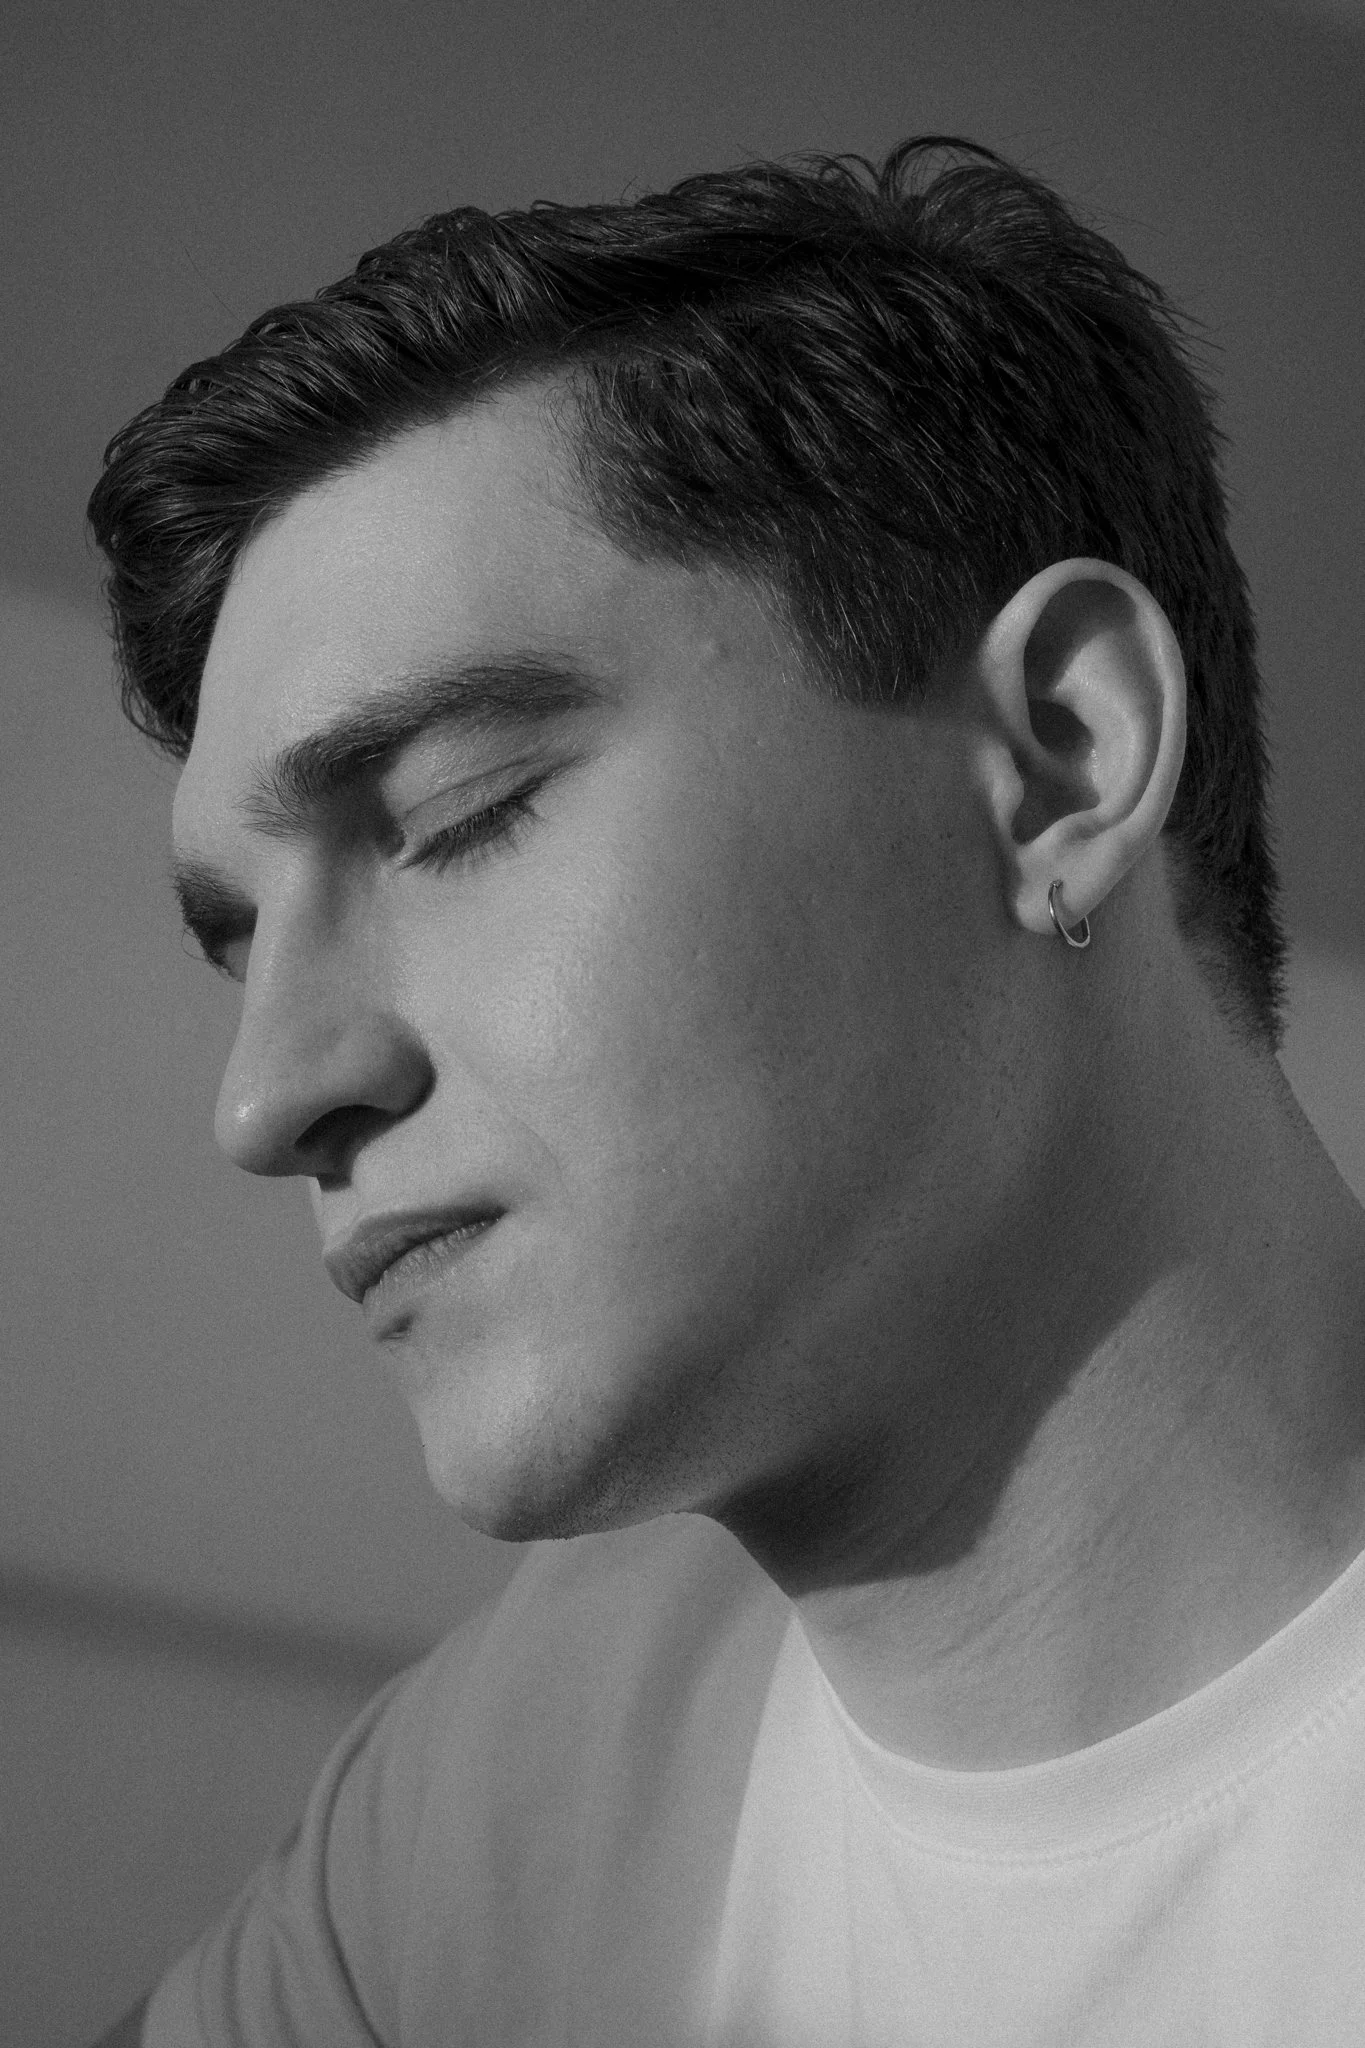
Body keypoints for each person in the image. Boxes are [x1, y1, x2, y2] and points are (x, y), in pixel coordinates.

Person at [86, 136, 1365, 2047]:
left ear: (1059, 761)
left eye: (455, 816)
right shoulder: (486, 1817)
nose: (269, 1097)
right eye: (236, 938)